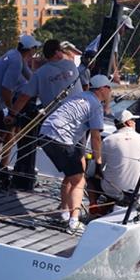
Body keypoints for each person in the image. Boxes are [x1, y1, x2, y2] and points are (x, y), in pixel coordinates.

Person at [39, 74, 112, 233]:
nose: (111, 91)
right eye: (109, 88)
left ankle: (64, 213)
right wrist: (98, 163)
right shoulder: (95, 105)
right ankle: (74, 221)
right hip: (60, 138)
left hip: (45, 133)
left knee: (70, 175)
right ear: (102, 89)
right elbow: (96, 137)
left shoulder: (80, 96)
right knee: (79, 180)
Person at [4, 39, 81, 188]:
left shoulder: (40, 73)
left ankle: (24, 177)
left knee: (71, 164)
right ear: (58, 52)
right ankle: (72, 190)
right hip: (80, 119)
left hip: (57, 123)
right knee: (78, 159)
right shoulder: (71, 66)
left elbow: (23, 98)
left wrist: (12, 115)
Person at [0, 34, 41, 165]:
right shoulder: (16, 61)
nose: (35, 51)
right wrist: (11, 110)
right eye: (35, 48)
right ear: (29, 49)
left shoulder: (15, 55)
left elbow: (31, 77)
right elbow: (6, 89)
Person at [99, 109, 140, 201]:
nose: (135, 123)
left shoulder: (107, 140)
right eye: (134, 121)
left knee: (91, 177)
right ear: (129, 123)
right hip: (137, 191)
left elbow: (98, 165)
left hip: (112, 191)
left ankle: (94, 206)